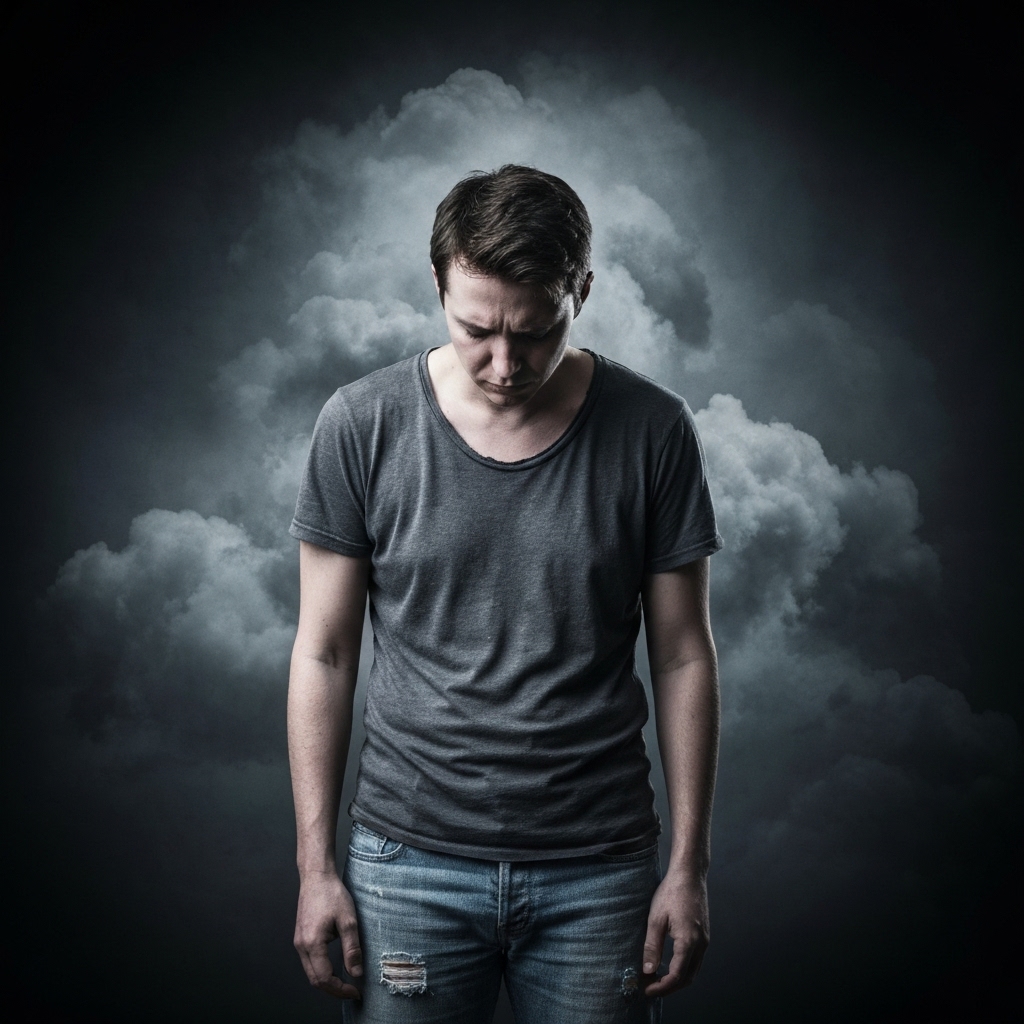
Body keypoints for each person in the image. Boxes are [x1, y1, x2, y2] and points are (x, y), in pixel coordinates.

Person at [287, 164, 722, 1024]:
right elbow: (324, 652)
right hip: (405, 861)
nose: (503, 362)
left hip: (600, 867)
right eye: (475, 328)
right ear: (439, 284)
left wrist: (689, 865)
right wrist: (314, 866)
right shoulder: (362, 424)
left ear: (582, 292)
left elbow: (682, 655)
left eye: (534, 332)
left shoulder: (655, 430)